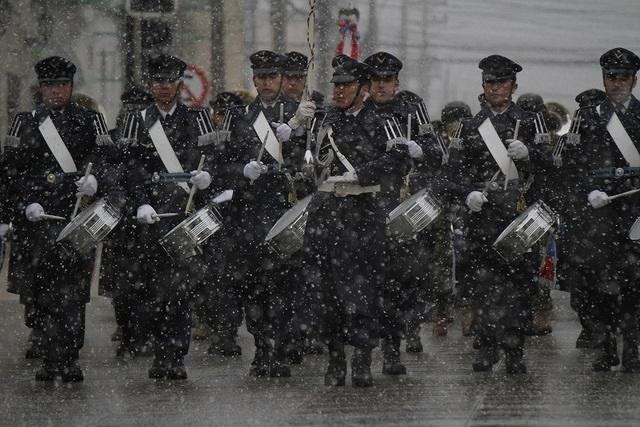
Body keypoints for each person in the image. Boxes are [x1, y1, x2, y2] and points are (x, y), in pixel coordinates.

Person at [300, 55, 412, 387]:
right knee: (327, 294)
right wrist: (295, 125)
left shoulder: (381, 119)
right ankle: (335, 360)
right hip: (327, 214)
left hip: (364, 213)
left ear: (362, 89)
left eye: (346, 85)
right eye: (335, 85)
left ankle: (362, 359)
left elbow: (400, 158)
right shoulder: (324, 119)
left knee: (365, 293)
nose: (338, 91)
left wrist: (362, 174)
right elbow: (306, 159)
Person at [1, 56, 114, 381]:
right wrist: (23, 204)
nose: (56, 91)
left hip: (74, 218)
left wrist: (97, 182)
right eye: (50, 85)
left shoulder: (90, 121)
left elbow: (109, 163)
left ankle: (70, 356)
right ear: (42, 88)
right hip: (36, 220)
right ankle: (51, 357)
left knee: (74, 292)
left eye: (62, 85)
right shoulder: (24, 122)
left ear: (71, 86)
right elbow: (9, 173)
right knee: (42, 292)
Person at [118, 54, 221, 379]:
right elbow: (129, 168)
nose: (164, 88)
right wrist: (140, 202)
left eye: (170, 82)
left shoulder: (199, 118)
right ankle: (157, 351)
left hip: (184, 213)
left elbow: (215, 160)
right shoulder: (137, 119)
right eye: (158, 82)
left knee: (180, 291)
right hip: (151, 215)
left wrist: (208, 179)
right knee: (150, 291)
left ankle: (175, 355)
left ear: (180, 84)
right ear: (151, 84)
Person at [213, 50, 315, 377]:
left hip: (284, 208)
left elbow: (313, 163)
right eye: (261, 77)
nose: (267, 83)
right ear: (254, 80)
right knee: (253, 286)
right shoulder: (240, 116)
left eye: (273, 77)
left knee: (285, 285)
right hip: (249, 212)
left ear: (282, 79)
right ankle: (261, 347)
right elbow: (221, 165)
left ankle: (283, 347)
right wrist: (241, 170)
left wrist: (297, 136)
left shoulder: (299, 113)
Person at [362, 51, 453, 372]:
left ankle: (403, 334)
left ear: (396, 82)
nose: (381, 86)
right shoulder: (360, 112)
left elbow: (437, 153)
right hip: (371, 205)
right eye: (375, 80)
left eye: (387, 81)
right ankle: (381, 342)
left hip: (407, 204)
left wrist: (420, 150)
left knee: (408, 277)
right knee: (375, 280)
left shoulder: (412, 110)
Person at [452, 54, 540, 374]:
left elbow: (552, 169)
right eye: (490, 82)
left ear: (513, 86)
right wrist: (467, 193)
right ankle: (487, 346)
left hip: (518, 213)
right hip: (483, 214)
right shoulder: (470, 125)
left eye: (502, 83)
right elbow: (453, 171)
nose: (496, 88)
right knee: (484, 285)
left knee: (518, 285)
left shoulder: (530, 122)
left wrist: (529, 156)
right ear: (483, 85)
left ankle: (515, 349)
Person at [564, 47, 640, 372]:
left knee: (635, 285)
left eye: (623, 77)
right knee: (601, 285)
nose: (617, 82)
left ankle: (634, 349)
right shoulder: (588, 116)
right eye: (611, 76)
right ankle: (607, 348)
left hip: (636, 209)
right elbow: (571, 165)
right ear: (603, 79)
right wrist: (587, 190)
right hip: (600, 211)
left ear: (634, 80)